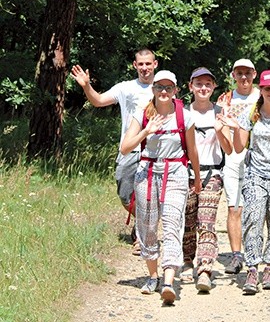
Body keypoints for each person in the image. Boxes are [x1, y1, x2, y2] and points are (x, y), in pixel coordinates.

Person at [120, 70, 201, 305]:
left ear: (176, 90)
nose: (163, 92)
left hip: (175, 172)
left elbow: (192, 150)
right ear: (153, 89)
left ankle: (168, 280)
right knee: (147, 227)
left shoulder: (184, 116)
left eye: (168, 88)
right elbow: (126, 147)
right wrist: (147, 131)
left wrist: (196, 177)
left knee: (173, 223)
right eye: (159, 87)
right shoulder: (142, 113)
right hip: (146, 172)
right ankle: (152, 276)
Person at [70, 48, 157, 255]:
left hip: (154, 151)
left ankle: (143, 236)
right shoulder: (125, 88)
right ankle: (144, 221)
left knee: (148, 196)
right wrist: (86, 86)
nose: (145, 68)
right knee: (125, 194)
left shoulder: (163, 87)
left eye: (148, 63)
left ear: (155, 64)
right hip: (129, 148)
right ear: (135, 66)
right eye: (141, 64)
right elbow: (98, 101)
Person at [220, 70, 270, 294]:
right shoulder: (251, 113)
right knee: (252, 219)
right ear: (261, 89)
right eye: (267, 88)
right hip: (255, 174)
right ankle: (253, 268)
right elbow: (238, 147)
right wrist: (235, 128)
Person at [182, 67, 233, 292]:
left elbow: (229, 149)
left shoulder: (220, 111)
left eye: (207, 84)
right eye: (198, 84)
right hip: (184, 173)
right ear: (190, 86)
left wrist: (220, 130)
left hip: (213, 173)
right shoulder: (182, 112)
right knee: (188, 221)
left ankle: (205, 268)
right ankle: (186, 260)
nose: (203, 88)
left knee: (206, 220)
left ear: (214, 87)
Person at [216, 59, 261, 275]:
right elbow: (221, 126)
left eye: (248, 73)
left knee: (255, 209)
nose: (244, 77)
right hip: (234, 159)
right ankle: (236, 256)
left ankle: (255, 253)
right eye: (239, 73)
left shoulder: (262, 96)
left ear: (254, 74)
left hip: (258, 158)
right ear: (233, 75)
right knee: (234, 208)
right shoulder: (226, 99)